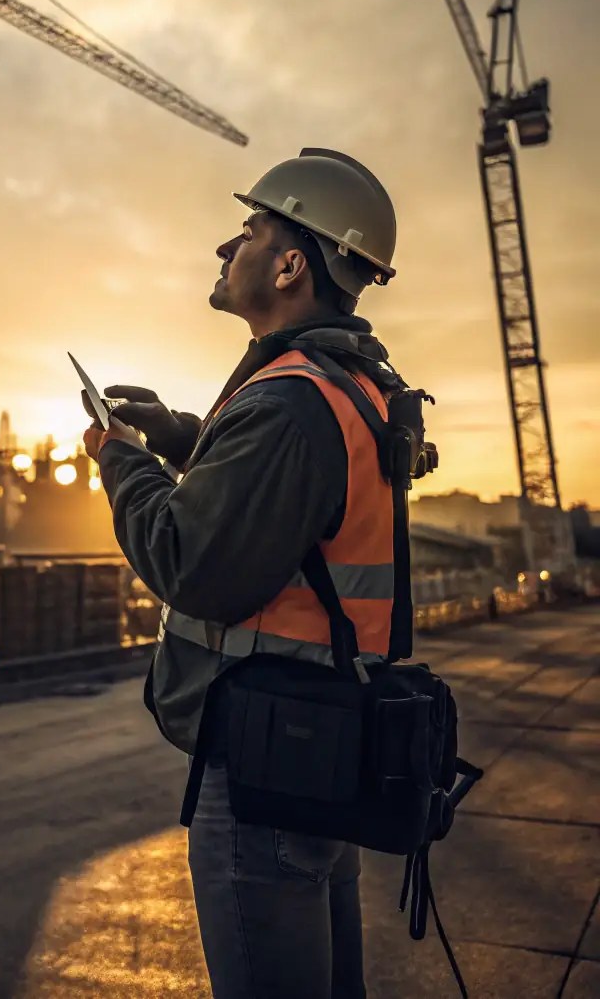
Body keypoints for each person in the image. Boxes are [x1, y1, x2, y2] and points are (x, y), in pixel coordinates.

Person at [84, 147, 404, 999]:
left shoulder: (290, 401)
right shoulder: (343, 385)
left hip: (268, 765)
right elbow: (287, 503)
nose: (227, 248)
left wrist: (119, 458)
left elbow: (188, 560)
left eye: (251, 230)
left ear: (293, 263)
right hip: (319, 740)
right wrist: (181, 436)